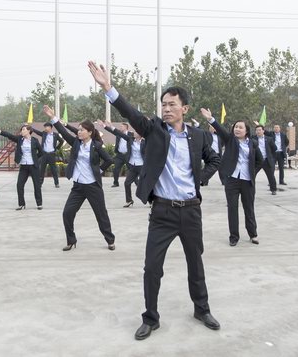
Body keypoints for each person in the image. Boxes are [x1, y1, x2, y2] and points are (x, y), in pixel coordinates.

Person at [88, 61, 222, 341]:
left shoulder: (198, 136)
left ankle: (202, 309)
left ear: (185, 108)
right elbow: (131, 113)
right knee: (152, 268)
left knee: (195, 264)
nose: (167, 109)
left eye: (172, 104)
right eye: (164, 105)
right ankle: (151, 318)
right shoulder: (154, 130)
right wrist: (108, 88)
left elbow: (214, 160)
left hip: (191, 211)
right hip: (162, 212)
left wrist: (200, 179)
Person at [44, 106, 116, 251]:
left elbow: (109, 160)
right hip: (78, 187)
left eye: (82, 130)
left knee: (101, 215)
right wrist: (53, 117)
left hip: (93, 186)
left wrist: (99, 171)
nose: (79, 132)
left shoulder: (96, 146)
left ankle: (110, 240)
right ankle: (71, 240)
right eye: (78, 129)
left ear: (89, 132)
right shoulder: (76, 143)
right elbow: (64, 132)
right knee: (67, 213)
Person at [205, 109, 263, 245]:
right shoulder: (230, 140)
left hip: (247, 181)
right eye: (236, 127)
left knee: (249, 208)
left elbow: (260, 161)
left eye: (240, 127)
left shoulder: (253, 143)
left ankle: (253, 234)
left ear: (246, 131)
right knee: (232, 209)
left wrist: (253, 172)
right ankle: (234, 237)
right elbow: (220, 130)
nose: (237, 129)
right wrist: (211, 119)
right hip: (232, 180)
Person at [0, 124, 44, 210]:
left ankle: (39, 204)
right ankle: (21, 204)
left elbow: (41, 152)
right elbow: (9, 136)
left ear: (29, 131)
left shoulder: (35, 140)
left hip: (33, 166)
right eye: (21, 130)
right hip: (24, 166)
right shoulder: (19, 139)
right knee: (19, 185)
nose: (22, 131)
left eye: (24, 129)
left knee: (37, 185)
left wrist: (35, 158)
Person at [32, 122, 64, 188]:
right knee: (42, 170)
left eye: (46, 127)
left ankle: (56, 183)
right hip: (44, 154)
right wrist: (31, 128)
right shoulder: (44, 133)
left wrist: (57, 148)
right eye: (45, 127)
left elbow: (61, 141)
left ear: (50, 127)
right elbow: (37, 132)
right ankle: (40, 183)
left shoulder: (55, 135)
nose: (45, 128)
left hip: (51, 154)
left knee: (54, 170)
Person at [252, 124, 279, 195]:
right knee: (252, 175)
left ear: (263, 131)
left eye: (259, 130)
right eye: (257, 130)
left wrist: (271, 157)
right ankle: (251, 189)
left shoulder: (269, 139)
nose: (258, 131)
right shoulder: (253, 139)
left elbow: (274, 148)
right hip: (257, 161)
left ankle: (273, 189)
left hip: (266, 160)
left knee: (271, 176)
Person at [122, 129, 145, 207]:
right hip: (133, 165)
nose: (134, 133)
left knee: (145, 184)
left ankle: (150, 201)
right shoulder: (130, 140)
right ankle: (129, 200)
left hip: (142, 165)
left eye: (136, 132)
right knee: (127, 183)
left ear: (140, 134)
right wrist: (109, 127)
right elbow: (119, 134)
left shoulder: (145, 142)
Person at [104, 122, 132, 187]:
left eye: (121, 126)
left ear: (125, 127)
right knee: (116, 169)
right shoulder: (118, 134)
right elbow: (111, 131)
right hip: (119, 155)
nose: (120, 127)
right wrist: (104, 126)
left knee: (132, 170)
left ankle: (137, 183)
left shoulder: (131, 134)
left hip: (128, 155)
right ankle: (116, 183)